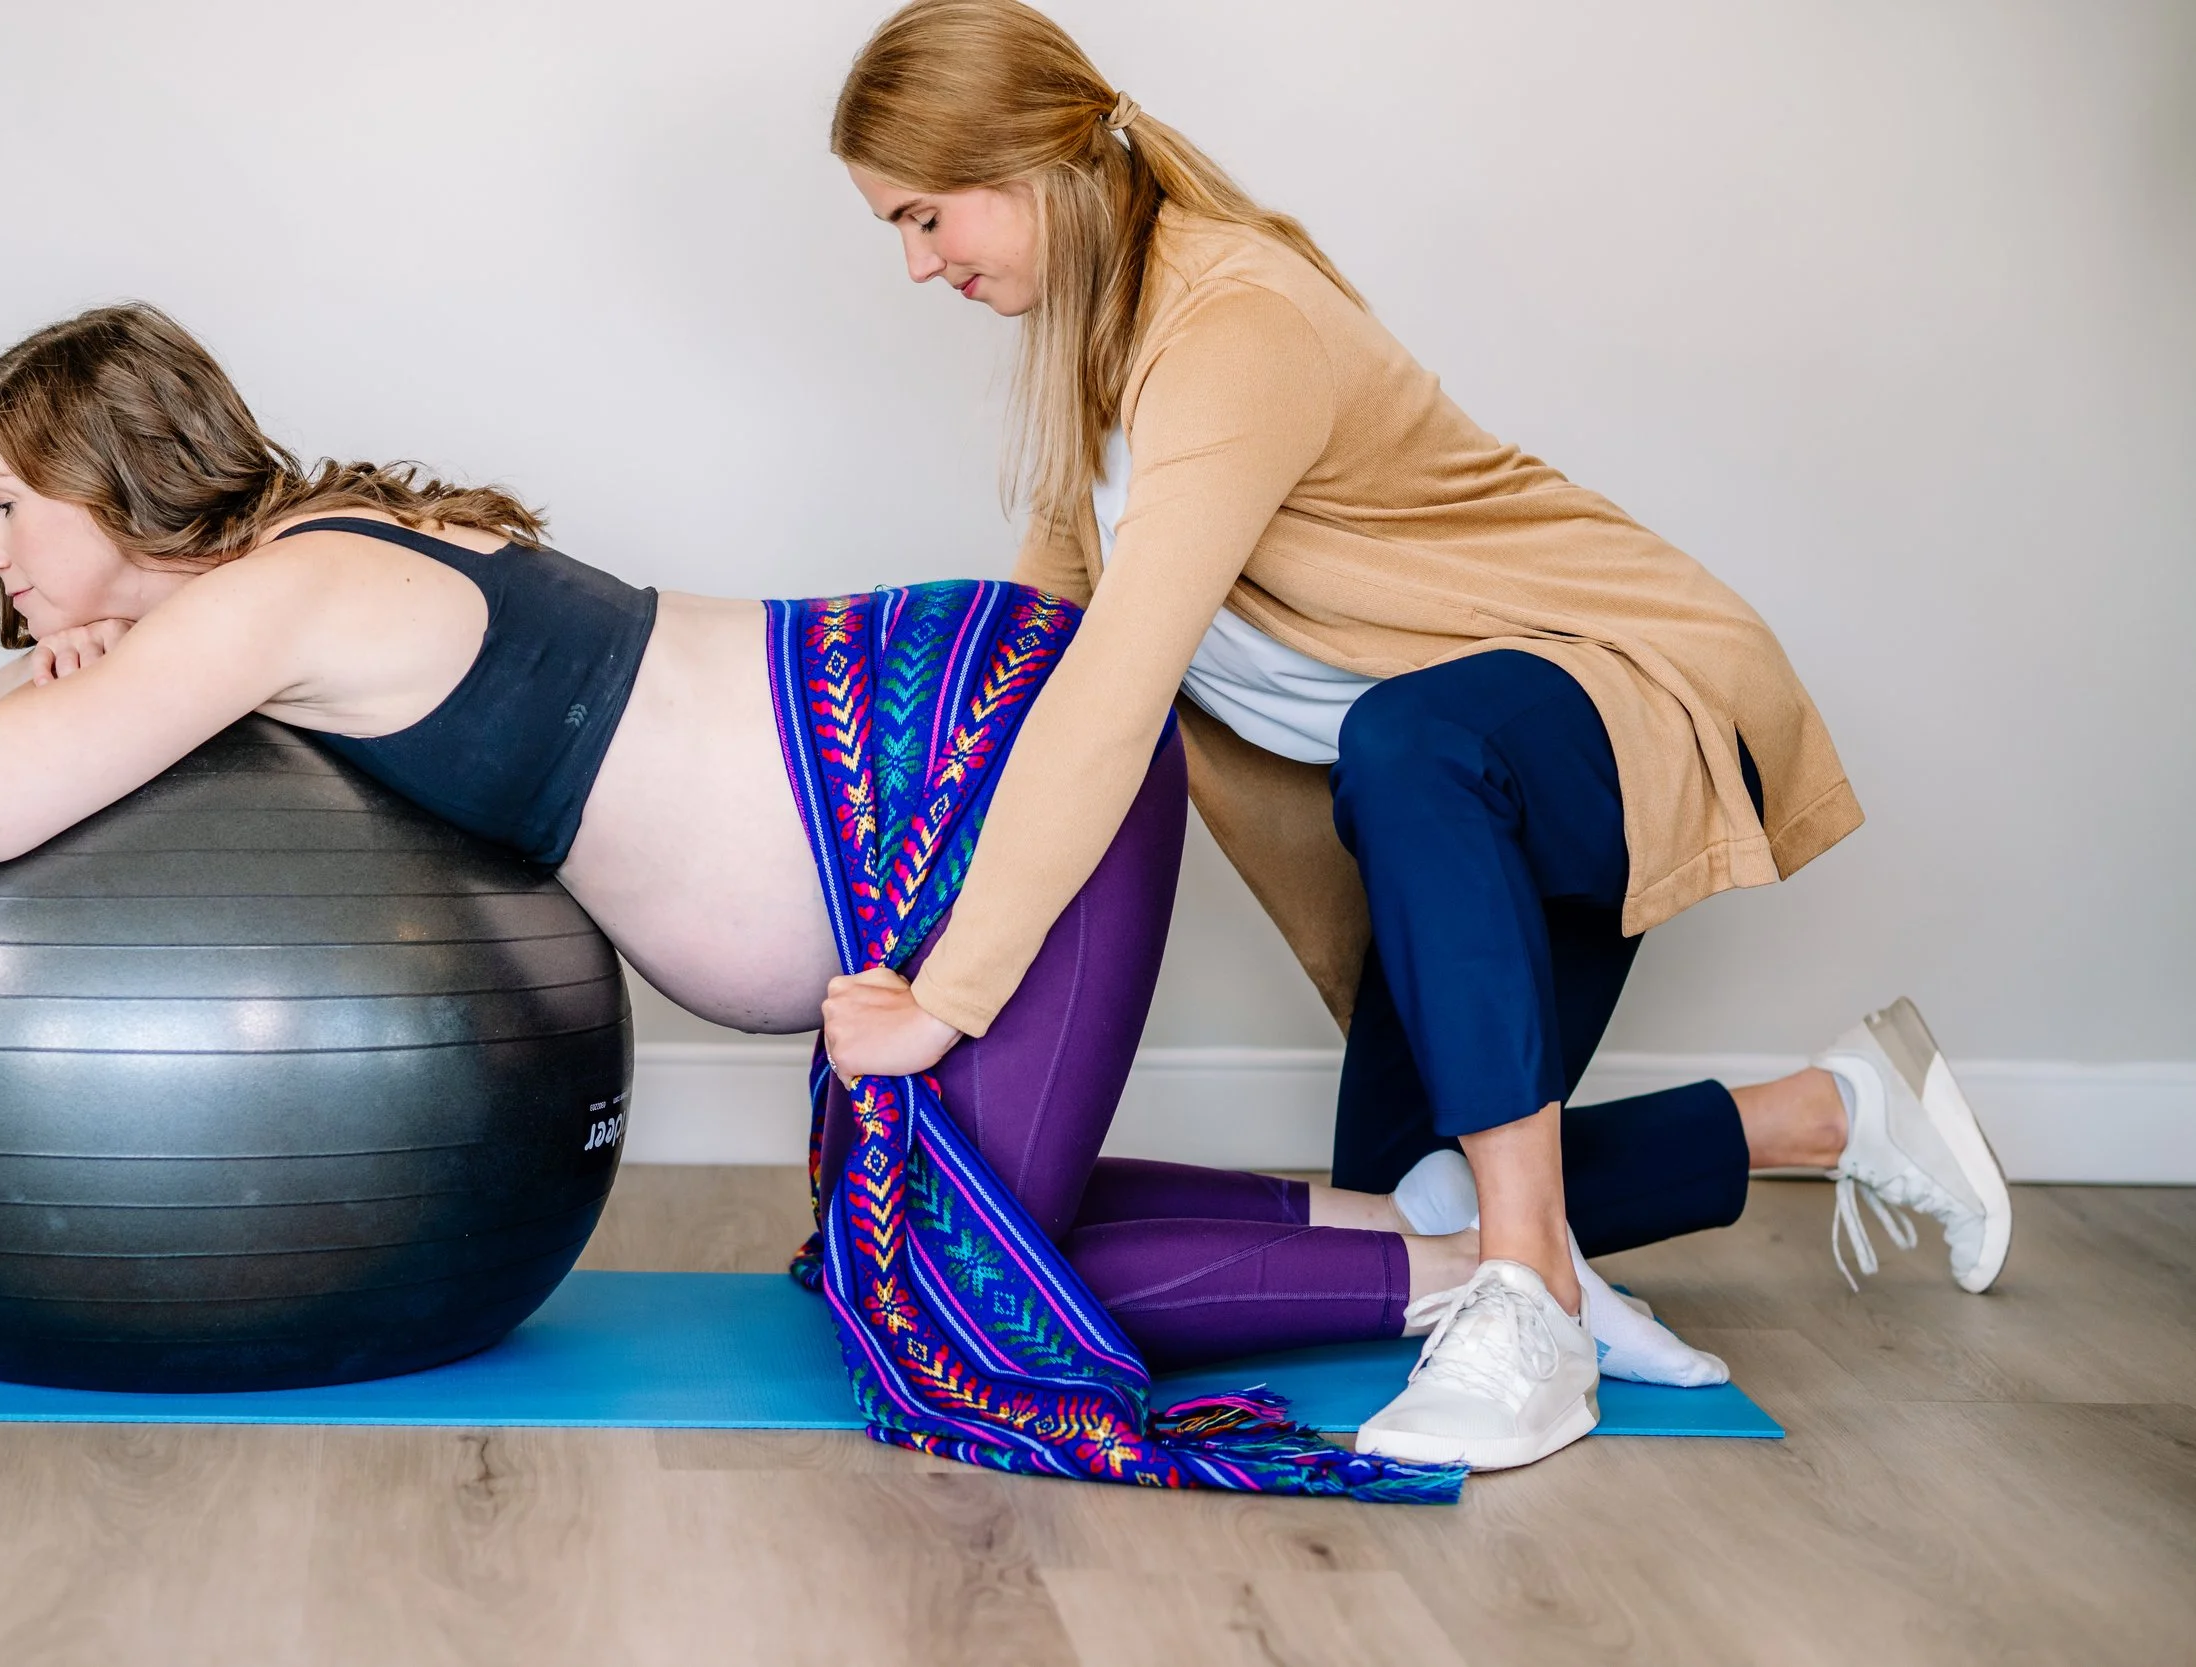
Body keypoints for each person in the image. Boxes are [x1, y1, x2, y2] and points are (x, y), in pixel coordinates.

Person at [0, 300, 1580, 1392]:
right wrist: (88, 651)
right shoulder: (322, 549)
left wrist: (59, 670)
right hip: (969, 716)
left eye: (1, 498)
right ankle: (1466, 1230)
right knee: (898, 1241)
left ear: (105, 464)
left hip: (990, 758)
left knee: (949, 1310)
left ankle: (1495, 1276)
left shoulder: (276, 598)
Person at [816, 0, 2013, 1471]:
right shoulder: (1092, 357)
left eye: (925, 215)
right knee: (1415, 1201)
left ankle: (1533, 1303)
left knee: (1408, 742)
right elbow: (1041, 650)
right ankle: (1825, 1117)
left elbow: (1112, 696)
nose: (918, 262)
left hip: (1628, 687)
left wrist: (948, 998)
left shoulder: (1230, 321)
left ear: (1025, 164)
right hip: (1459, 799)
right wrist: (908, 892)